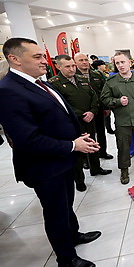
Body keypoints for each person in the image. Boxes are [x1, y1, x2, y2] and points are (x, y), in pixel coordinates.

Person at [0, 37, 101, 266]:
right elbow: (28, 139)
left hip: (63, 158)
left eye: (43, 56)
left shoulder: (38, 82)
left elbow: (56, 117)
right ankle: (66, 258)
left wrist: (76, 138)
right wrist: (74, 145)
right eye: (37, 56)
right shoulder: (8, 91)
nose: (44, 61)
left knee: (66, 204)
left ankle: (73, 235)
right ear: (14, 59)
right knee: (55, 212)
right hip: (44, 166)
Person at [49, 54, 112, 191]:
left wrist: (92, 111)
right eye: (68, 66)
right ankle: (79, 180)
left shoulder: (82, 79)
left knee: (92, 143)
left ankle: (96, 168)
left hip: (90, 118)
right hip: (72, 122)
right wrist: (81, 114)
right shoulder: (54, 83)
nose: (72, 69)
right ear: (58, 66)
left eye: (73, 65)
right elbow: (61, 104)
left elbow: (94, 96)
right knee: (77, 150)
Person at [101, 51, 134, 184]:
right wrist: (118, 101)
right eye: (117, 63)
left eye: (123, 62)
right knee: (123, 146)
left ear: (129, 63)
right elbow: (104, 98)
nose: (120, 65)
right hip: (122, 121)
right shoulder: (111, 82)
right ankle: (124, 169)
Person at [74, 53, 114, 160]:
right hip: (84, 113)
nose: (84, 62)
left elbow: (104, 92)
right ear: (75, 63)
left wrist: (106, 108)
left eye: (86, 60)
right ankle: (87, 159)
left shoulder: (96, 75)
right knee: (86, 136)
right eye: (81, 60)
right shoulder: (73, 77)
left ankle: (102, 152)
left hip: (98, 109)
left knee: (101, 132)